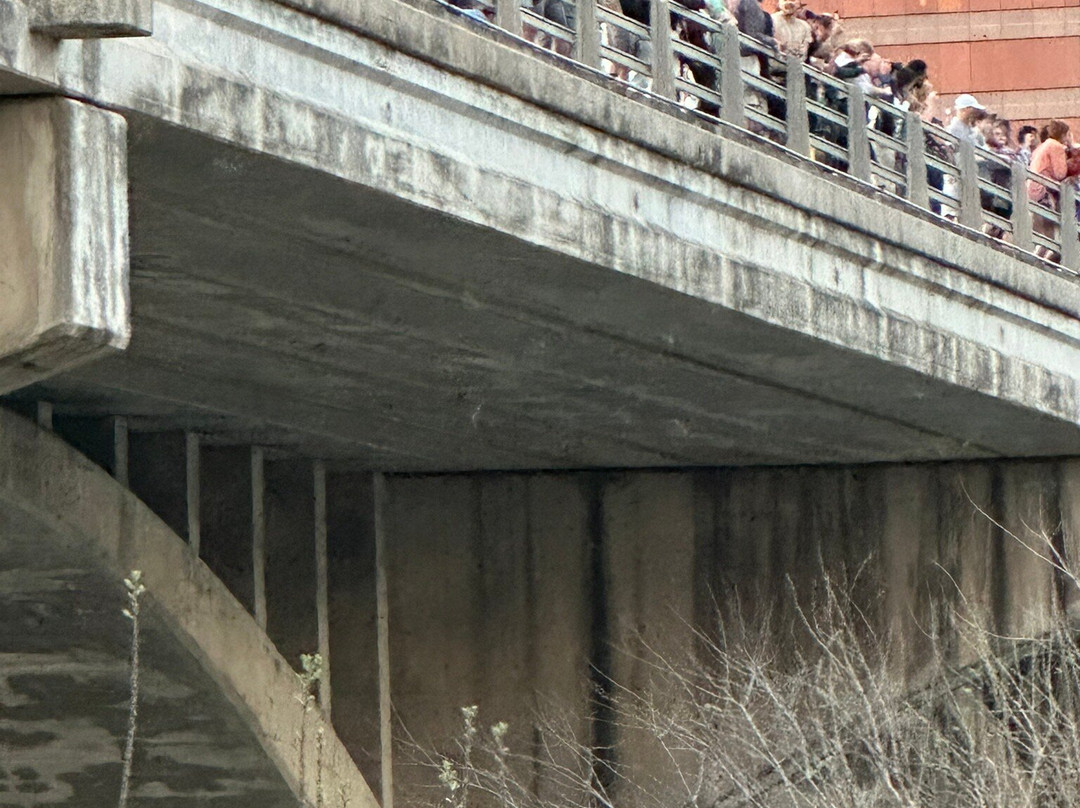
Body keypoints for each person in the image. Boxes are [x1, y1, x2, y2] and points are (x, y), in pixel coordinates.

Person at [1027, 119, 1072, 260]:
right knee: (1050, 240)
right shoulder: (1056, 147)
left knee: (1044, 238)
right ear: (1063, 134)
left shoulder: (1042, 146)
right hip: (1043, 192)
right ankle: (1038, 263)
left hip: (1032, 189)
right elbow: (1060, 173)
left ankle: (1037, 261)